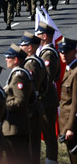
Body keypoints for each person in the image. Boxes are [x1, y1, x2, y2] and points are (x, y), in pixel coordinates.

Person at [20, 31, 48, 164]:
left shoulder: (30, 64)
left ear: (30, 47)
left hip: (30, 110)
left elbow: (30, 89)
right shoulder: (37, 60)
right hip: (35, 108)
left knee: (31, 147)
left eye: (23, 45)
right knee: (34, 146)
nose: (21, 47)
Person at [2, 43, 33, 164]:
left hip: (16, 128)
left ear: (15, 60)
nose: (6, 59)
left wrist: (2, 103)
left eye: (8, 57)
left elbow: (20, 102)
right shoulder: (17, 74)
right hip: (16, 127)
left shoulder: (19, 76)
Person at [36, 21, 60, 164]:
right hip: (44, 99)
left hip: (46, 100)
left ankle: (51, 161)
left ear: (44, 36)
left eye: (38, 34)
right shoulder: (45, 52)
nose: (36, 37)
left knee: (49, 135)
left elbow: (47, 78)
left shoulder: (48, 54)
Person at [57, 37, 77, 164]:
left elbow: (75, 104)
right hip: (67, 125)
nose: (63, 54)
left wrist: (70, 128)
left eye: (66, 51)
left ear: (74, 52)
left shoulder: (75, 73)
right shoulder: (69, 69)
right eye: (61, 52)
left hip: (73, 127)